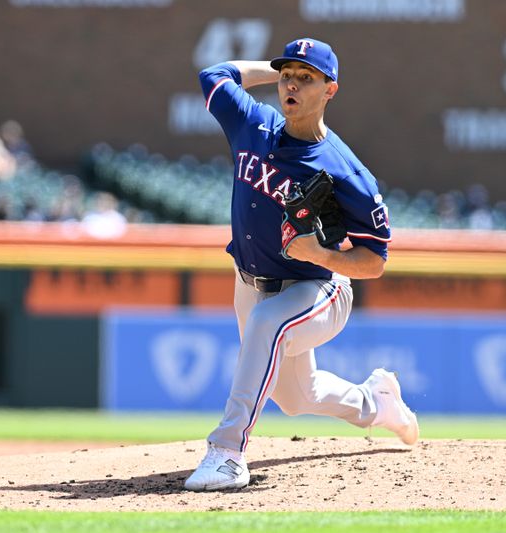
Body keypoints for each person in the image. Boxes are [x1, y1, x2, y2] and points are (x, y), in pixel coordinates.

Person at [185, 38, 419, 492]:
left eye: (306, 78)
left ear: (330, 90)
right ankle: (377, 402)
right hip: (251, 279)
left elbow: (374, 262)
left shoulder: (346, 171)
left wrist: (323, 255)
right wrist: (278, 71)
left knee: (267, 324)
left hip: (318, 287)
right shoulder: (253, 123)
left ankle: (227, 451)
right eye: (287, 75)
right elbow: (213, 75)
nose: (291, 84)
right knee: (296, 397)